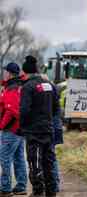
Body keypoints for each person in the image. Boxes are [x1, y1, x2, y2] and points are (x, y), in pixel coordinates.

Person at [19, 56, 59, 197]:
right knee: (48, 162)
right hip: (48, 129)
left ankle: (38, 191)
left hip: (33, 131)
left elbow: (24, 110)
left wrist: (22, 127)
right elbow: (56, 108)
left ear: (25, 72)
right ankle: (51, 191)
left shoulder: (28, 87)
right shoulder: (49, 85)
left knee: (35, 162)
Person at [0, 63, 27, 197]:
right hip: (20, 129)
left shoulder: (12, 88)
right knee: (19, 158)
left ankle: (5, 188)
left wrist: (2, 125)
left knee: (5, 158)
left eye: (5, 71)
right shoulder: (19, 86)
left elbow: (11, 110)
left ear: (9, 73)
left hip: (11, 129)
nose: (3, 73)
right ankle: (21, 186)